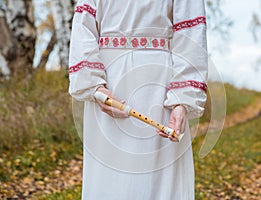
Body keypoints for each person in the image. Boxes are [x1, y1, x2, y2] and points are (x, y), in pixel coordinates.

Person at [68, 0, 208, 199]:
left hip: (160, 90)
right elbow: (83, 26)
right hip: (109, 84)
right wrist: (95, 86)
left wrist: (181, 101)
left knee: (158, 178)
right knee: (109, 177)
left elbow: (191, 34)